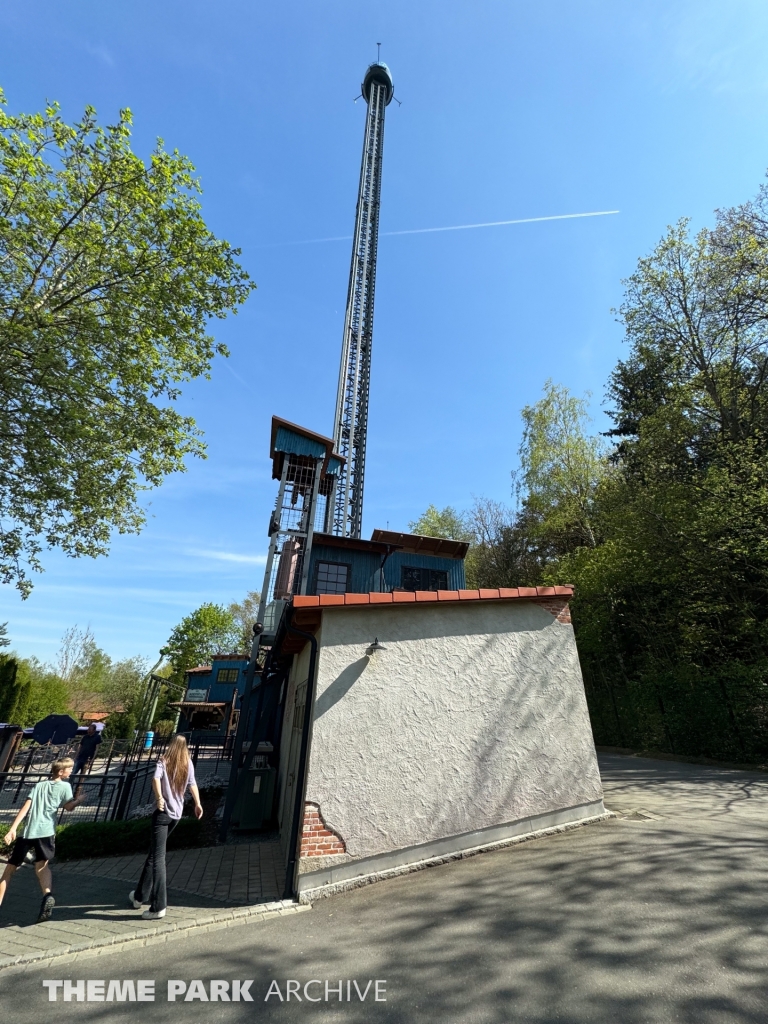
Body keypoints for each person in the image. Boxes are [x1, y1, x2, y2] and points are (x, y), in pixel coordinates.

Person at [0, 757, 83, 922]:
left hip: (28, 832)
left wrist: (13, 829)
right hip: (46, 832)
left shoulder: (39, 785)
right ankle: (47, 895)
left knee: (9, 870)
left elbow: (25, 807)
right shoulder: (66, 786)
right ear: (61, 771)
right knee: (42, 866)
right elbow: (68, 807)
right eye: (69, 768)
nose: (71, 771)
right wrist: (78, 800)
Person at [130, 735, 203, 920]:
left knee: (158, 858)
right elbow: (192, 783)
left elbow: (155, 779)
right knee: (154, 853)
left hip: (162, 814)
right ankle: (139, 896)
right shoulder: (188, 763)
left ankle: (158, 906)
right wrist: (197, 803)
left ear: (171, 745)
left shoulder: (164, 760)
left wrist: (159, 798)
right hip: (176, 815)